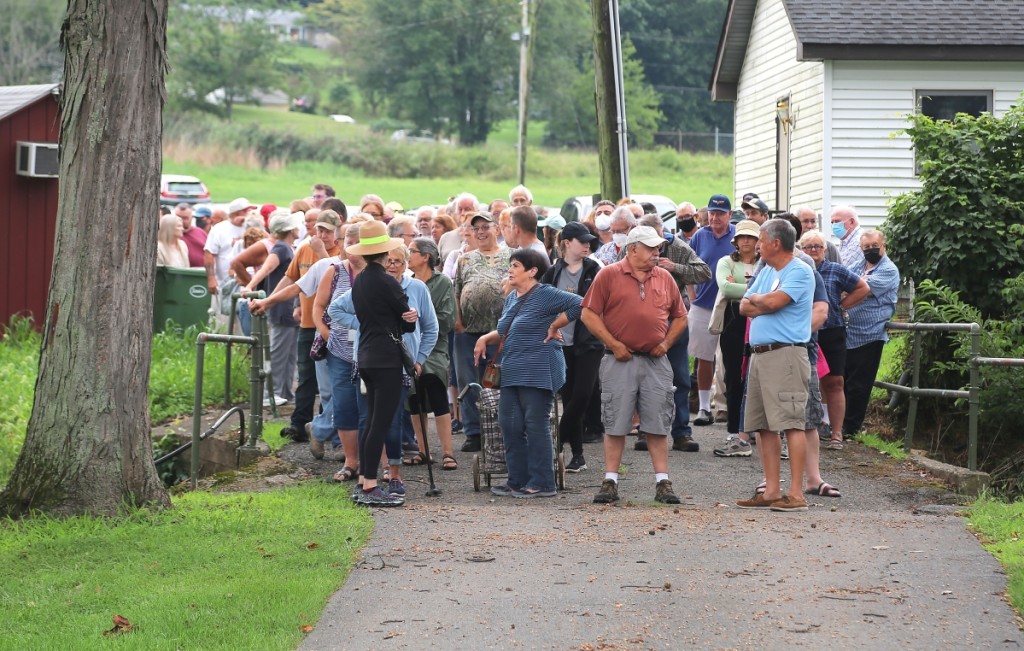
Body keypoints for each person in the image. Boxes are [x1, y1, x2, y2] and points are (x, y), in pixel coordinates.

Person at [581, 225, 688, 505]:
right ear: (632, 249)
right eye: (651, 248)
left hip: (656, 360)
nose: (656, 253)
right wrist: (614, 344)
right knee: (615, 422)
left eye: (657, 248)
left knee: (657, 423)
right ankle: (610, 481)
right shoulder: (609, 274)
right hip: (619, 359)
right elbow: (589, 315)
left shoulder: (664, 277)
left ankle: (663, 482)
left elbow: (680, 317)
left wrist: (665, 344)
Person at [474, 248, 582, 497]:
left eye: (516, 265)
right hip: (512, 369)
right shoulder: (513, 297)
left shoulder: (545, 294)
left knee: (535, 425)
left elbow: (581, 303)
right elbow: (507, 330)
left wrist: (556, 325)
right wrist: (484, 338)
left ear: (532, 271)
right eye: (510, 265)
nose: (510, 269)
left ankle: (543, 482)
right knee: (509, 424)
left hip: (538, 369)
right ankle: (517, 479)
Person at [333, 221, 415, 507]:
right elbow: (405, 322)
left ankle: (365, 482)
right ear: (383, 251)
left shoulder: (361, 280)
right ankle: (369, 485)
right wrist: (410, 318)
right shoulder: (387, 282)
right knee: (380, 422)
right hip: (386, 358)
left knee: (370, 422)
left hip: (366, 354)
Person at [735, 220, 815, 512]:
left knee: (791, 422)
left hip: (786, 356)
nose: (757, 245)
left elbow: (774, 303)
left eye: (761, 240)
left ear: (776, 243)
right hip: (760, 355)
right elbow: (744, 306)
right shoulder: (767, 271)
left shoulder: (800, 271)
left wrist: (760, 301)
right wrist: (760, 300)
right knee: (762, 424)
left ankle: (795, 493)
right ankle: (771, 490)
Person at [626, 214, 711, 453]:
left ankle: (682, 432)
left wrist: (676, 268)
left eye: (658, 242)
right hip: (641, 320)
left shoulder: (677, 246)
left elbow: (704, 272)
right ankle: (645, 428)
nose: (656, 249)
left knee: (680, 377)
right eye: (650, 244)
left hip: (674, 318)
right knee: (643, 377)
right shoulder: (631, 249)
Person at [798, 230, 870, 449]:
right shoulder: (798, 270)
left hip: (832, 330)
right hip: (804, 331)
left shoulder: (836, 270)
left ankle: (837, 433)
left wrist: (841, 306)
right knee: (805, 381)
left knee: (835, 381)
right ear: (802, 250)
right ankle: (806, 429)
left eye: (818, 247)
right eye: (808, 247)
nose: (813, 251)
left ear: (825, 249)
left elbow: (863, 288)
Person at [540, 222, 602, 473]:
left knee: (583, 395)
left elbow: (595, 304)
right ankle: (577, 456)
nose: (587, 244)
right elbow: (541, 299)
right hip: (560, 342)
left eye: (589, 241)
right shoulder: (552, 271)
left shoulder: (594, 269)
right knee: (568, 397)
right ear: (567, 243)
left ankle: (553, 443)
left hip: (589, 342)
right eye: (582, 240)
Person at [453, 211, 512, 453]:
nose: (480, 231)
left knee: (500, 382)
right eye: (475, 228)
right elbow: (457, 291)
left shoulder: (511, 256)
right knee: (469, 382)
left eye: (485, 227)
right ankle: (474, 433)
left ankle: (502, 429)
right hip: (468, 334)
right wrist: (458, 322)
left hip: (502, 333)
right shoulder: (464, 260)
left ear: (496, 229)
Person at [406, 237, 458, 469]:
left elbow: (447, 319)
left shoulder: (443, 282)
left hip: (435, 348)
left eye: (411, 251)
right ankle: (423, 451)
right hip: (409, 348)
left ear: (425, 256)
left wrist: (421, 319)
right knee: (414, 398)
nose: (408, 255)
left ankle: (448, 452)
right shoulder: (406, 283)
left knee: (436, 391)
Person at [843, 230, 900, 438]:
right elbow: (844, 280)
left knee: (859, 385)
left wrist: (843, 299)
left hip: (869, 333)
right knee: (844, 381)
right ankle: (839, 425)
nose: (871, 250)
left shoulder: (888, 270)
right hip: (849, 333)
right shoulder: (859, 266)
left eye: (875, 246)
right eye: (866, 247)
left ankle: (851, 429)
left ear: (883, 245)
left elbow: (862, 289)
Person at [687, 194, 737, 426]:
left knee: (728, 357)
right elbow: (688, 265)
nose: (715, 217)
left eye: (720, 213)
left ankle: (726, 406)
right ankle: (704, 407)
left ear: (729, 214)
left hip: (731, 304)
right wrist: (691, 292)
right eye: (712, 213)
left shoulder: (737, 235)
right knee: (703, 357)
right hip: (703, 304)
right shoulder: (700, 235)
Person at [712, 219, 760, 457]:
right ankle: (734, 429)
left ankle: (755, 428)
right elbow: (725, 288)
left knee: (758, 374)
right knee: (733, 374)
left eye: (751, 237)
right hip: (733, 320)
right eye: (742, 237)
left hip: (760, 318)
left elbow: (773, 288)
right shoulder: (726, 262)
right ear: (736, 240)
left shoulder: (765, 263)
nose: (746, 241)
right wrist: (755, 289)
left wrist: (739, 285)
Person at [246, 211, 303, 405]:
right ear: (290, 229)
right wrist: (250, 285)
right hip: (281, 309)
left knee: (290, 355)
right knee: (278, 354)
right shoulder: (280, 248)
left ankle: (285, 392)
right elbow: (267, 268)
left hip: (288, 307)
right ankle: (272, 393)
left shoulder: (286, 247)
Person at [830, 205, 865, 271]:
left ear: (851, 222)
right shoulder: (846, 239)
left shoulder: (859, 241)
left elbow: (842, 270)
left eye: (837, 221)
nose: (834, 225)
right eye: (832, 222)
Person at [176, 203, 206, 267]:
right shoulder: (170, 235)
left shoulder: (200, 232)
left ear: (192, 218)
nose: (180, 220)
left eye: (185, 218)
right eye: (178, 217)